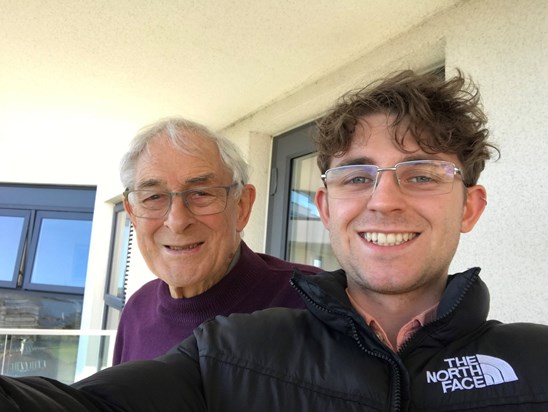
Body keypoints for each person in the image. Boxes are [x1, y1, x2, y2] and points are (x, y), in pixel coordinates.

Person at [1, 69, 547, 411]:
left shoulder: (534, 360)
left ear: (470, 207)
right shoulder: (232, 350)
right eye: (358, 176)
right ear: (326, 208)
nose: (384, 200)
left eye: (422, 174)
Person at [113, 117, 321, 363]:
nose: (177, 222)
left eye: (201, 193)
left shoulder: (316, 305)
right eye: (154, 197)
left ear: (242, 207)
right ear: (132, 214)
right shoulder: (137, 310)